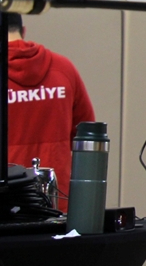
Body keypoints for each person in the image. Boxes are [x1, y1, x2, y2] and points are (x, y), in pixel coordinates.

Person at [6, 13, 96, 210]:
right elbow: (87, 134)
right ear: (23, 31)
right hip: (57, 199)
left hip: (7, 202)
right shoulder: (63, 68)